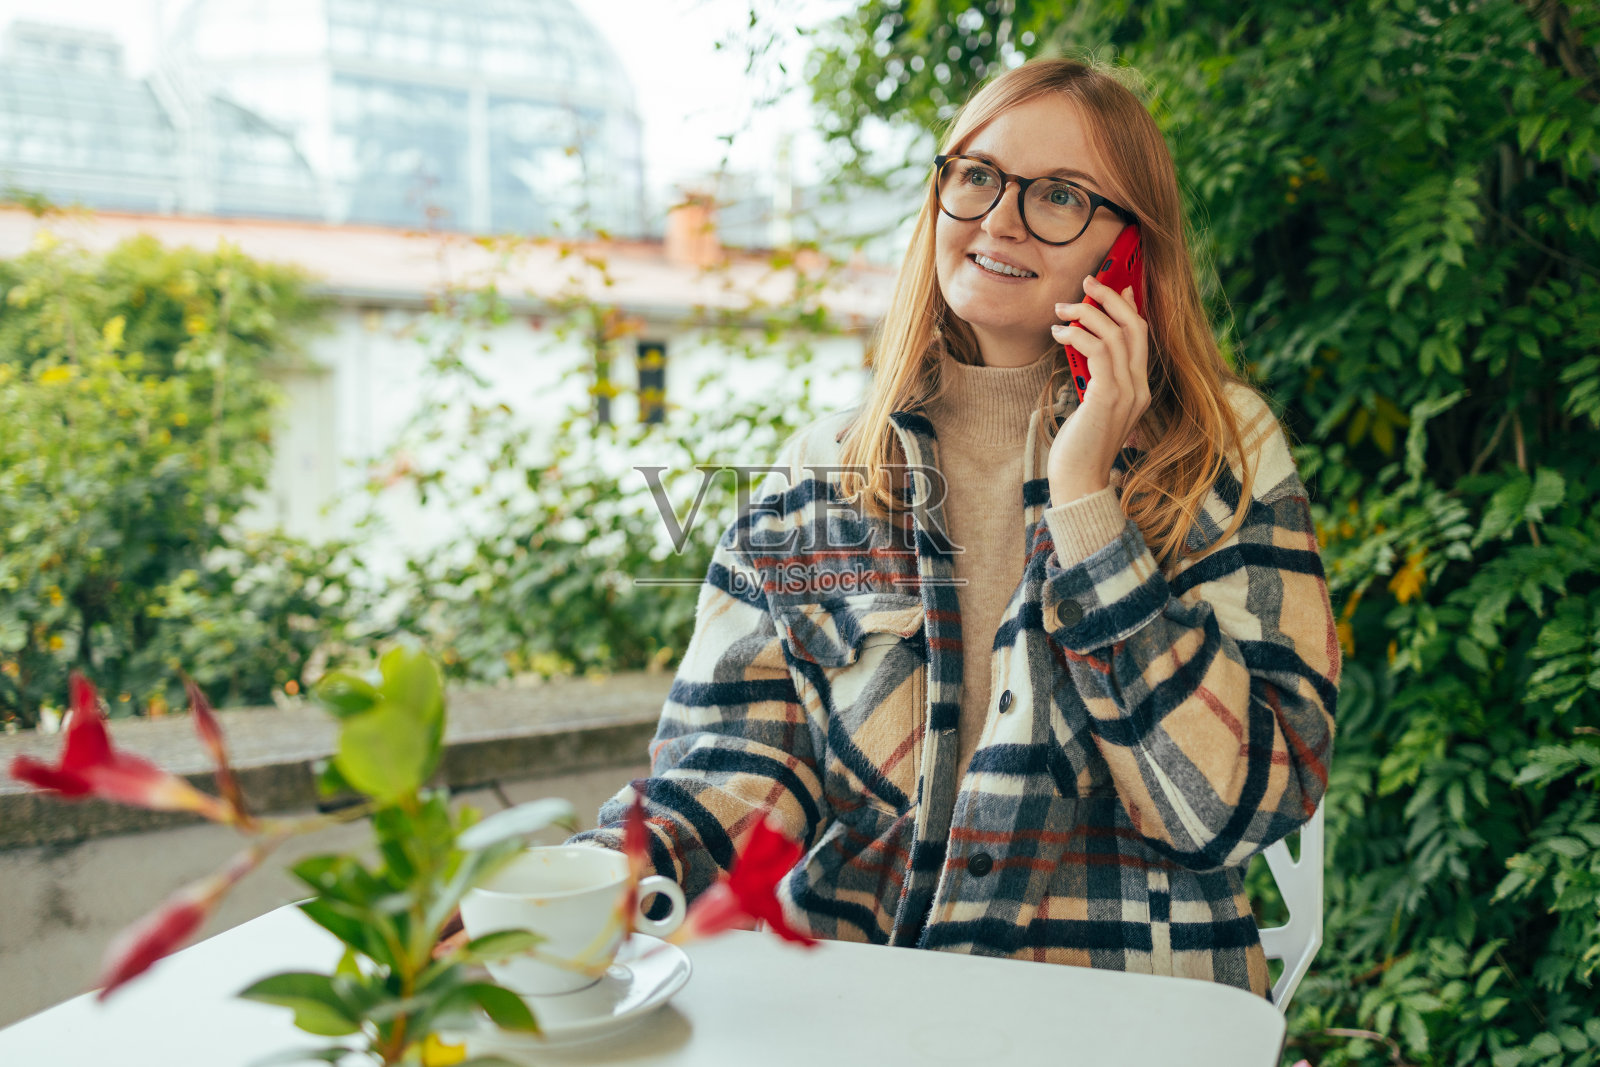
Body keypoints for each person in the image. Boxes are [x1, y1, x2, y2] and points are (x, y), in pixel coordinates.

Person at [568, 55, 1339, 1000]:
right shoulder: (821, 471)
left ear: (1130, 249)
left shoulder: (1222, 447)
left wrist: (1088, 504)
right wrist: (589, 876)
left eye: (1058, 194)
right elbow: (736, 767)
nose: (1000, 219)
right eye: (975, 176)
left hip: (1138, 1003)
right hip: (870, 995)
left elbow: (1229, 809)